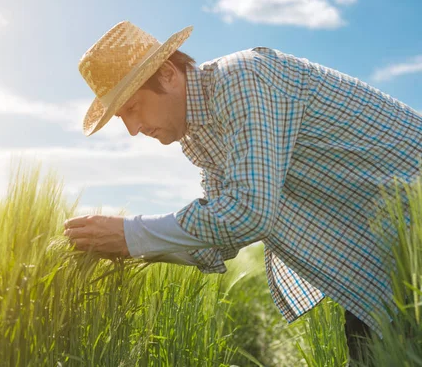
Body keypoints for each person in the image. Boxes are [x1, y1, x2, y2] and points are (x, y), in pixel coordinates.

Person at [63, 20, 422, 364]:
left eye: (131, 108)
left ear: (168, 75)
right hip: (389, 269)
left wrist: (132, 233)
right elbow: (220, 240)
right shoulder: (201, 135)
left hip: (411, 243)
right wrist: (124, 245)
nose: (132, 129)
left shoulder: (242, 79)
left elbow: (249, 211)